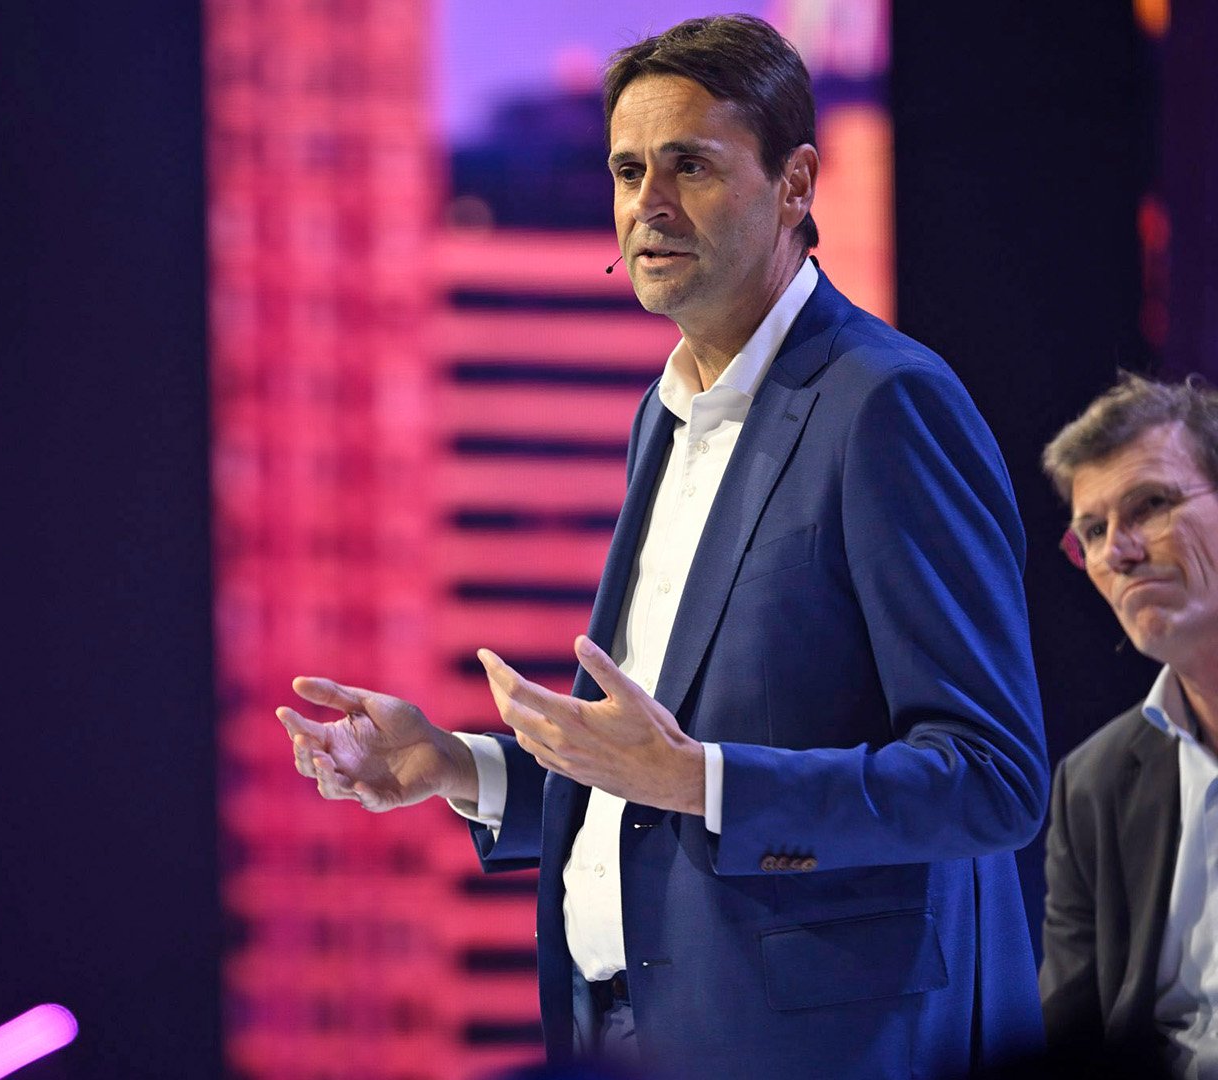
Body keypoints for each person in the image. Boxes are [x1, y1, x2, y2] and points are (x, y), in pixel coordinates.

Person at [276, 15, 1048, 1078]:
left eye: (692, 165)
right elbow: (650, 774)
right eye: (629, 170)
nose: (651, 203)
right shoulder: (665, 413)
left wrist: (704, 783)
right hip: (629, 1032)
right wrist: (459, 765)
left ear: (795, 184)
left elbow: (989, 780)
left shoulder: (885, 405)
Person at [1039, 374, 1218, 1079]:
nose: (1119, 551)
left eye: (1150, 506)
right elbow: (1071, 1040)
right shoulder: (1094, 785)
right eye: (1093, 531)